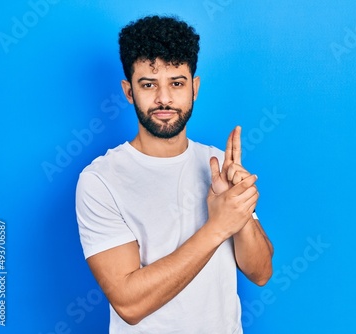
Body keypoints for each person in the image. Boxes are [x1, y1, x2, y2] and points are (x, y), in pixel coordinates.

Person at [75, 14, 274, 333]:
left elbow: (261, 272)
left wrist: (240, 213)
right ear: (128, 91)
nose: (164, 99)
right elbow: (130, 304)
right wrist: (219, 225)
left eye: (176, 83)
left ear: (194, 88)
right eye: (149, 84)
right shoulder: (100, 181)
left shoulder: (217, 162)